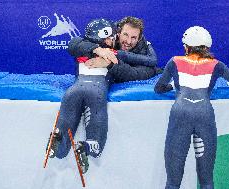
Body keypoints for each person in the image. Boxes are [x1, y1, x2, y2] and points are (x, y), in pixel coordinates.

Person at [154, 26, 229, 189]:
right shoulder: (216, 64)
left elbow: (159, 88)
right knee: (206, 181)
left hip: (180, 113)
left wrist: (173, 88)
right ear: (207, 47)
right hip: (205, 115)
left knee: (173, 182)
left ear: (186, 47)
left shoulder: (175, 61)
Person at [46, 18, 117, 173]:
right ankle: (85, 146)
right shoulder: (116, 54)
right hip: (96, 93)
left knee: (61, 150)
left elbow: (73, 44)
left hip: (73, 91)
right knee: (96, 144)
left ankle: (57, 137)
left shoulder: (81, 51)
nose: (114, 38)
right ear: (104, 37)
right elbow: (146, 62)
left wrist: (96, 49)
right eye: (111, 36)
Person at [68, 16, 158, 83]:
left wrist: (110, 64)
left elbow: (138, 74)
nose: (128, 41)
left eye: (134, 37)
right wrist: (97, 49)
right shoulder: (109, 37)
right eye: (125, 35)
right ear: (118, 33)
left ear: (139, 38)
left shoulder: (144, 51)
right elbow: (75, 44)